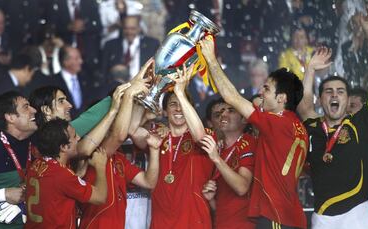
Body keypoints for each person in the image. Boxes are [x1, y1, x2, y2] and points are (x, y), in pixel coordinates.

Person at [296, 7, 368, 229]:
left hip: (358, 215)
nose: (334, 95)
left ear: (348, 100)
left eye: (340, 91)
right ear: (321, 100)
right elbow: (304, 104)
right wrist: (310, 70)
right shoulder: (313, 125)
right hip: (321, 217)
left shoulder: (362, 123)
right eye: (328, 91)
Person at [200, 39, 308, 228]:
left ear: (281, 98)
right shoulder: (297, 126)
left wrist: (210, 59)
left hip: (276, 215)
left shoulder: (277, 122)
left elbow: (231, 97)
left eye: (267, 89)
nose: (260, 92)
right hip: (290, 214)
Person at [78, 59, 160, 229]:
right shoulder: (92, 154)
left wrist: (154, 150)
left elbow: (149, 182)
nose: (115, 121)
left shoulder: (118, 158)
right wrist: (129, 94)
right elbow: (120, 135)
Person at [130, 65, 214, 228]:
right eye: (173, 104)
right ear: (165, 110)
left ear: (191, 109)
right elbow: (132, 131)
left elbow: (201, 137)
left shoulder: (203, 134)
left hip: (194, 221)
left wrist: (181, 93)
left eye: (183, 104)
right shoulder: (157, 135)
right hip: (162, 221)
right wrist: (146, 103)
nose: (178, 109)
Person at [25, 119, 108, 228]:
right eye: (74, 136)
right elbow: (100, 197)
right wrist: (101, 166)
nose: (78, 138)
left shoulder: (36, 164)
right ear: (64, 147)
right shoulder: (62, 176)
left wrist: (76, 176)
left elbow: (54, 189)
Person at [0, 91, 38, 228]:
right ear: (10, 117)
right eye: (26, 106)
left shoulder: (37, 145)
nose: (34, 110)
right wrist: (1, 194)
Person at [201, 98, 256, 228]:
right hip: (221, 223)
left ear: (244, 120)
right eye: (220, 112)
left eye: (231, 111)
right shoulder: (219, 148)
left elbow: (242, 187)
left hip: (243, 225)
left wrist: (216, 159)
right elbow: (223, 201)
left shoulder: (249, 143)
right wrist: (211, 199)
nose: (223, 115)